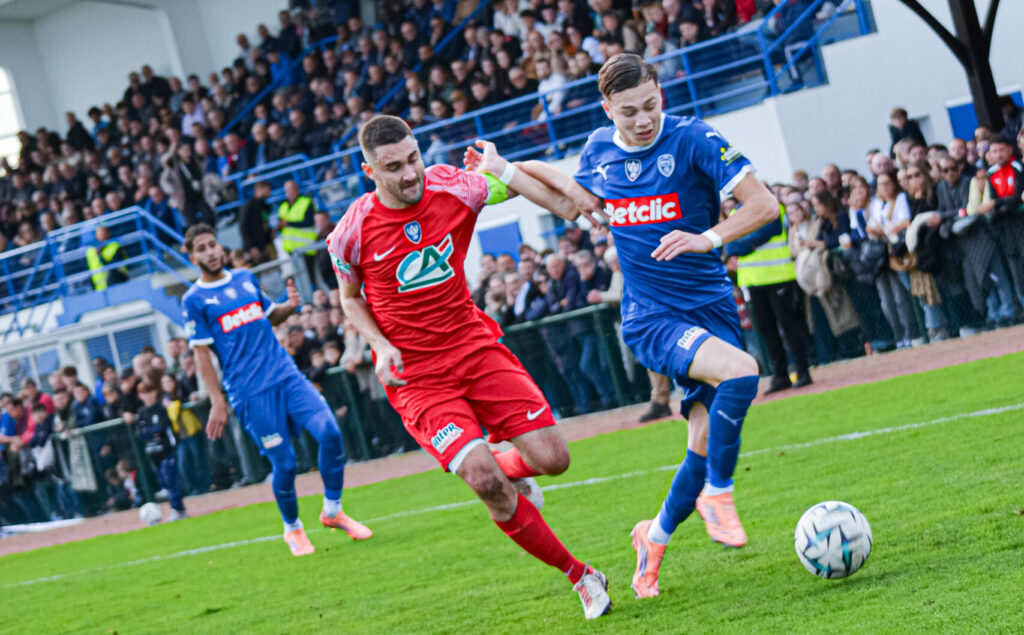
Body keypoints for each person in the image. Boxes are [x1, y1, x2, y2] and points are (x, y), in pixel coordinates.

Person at [473, 54, 780, 598]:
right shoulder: (600, 150)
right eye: (629, 112)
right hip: (652, 317)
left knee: (704, 443)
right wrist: (504, 170)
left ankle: (653, 539)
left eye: (651, 105)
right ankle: (720, 493)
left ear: (661, 92)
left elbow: (765, 206)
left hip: (711, 309)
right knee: (742, 373)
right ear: (606, 109)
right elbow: (571, 200)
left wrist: (706, 237)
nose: (643, 120)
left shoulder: (695, 138)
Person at [327, 115, 611, 619]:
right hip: (418, 377)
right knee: (483, 484)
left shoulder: (452, 186)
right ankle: (581, 576)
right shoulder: (349, 234)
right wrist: (379, 344)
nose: (410, 173)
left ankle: (509, 467)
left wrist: (572, 190)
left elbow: (518, 176)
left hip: (475, 347)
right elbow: (350, 300)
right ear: (369, 170)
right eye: (393, 167)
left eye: (413, 159)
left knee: (554, 459)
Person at [182, 223, 370, 556]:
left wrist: (290, 304)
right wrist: (216, 400)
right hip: (250, 392)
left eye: (213, 244)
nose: (211, 252)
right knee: (284, 464)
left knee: (329, 432)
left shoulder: (244, 278)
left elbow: (270, 316)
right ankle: (293, 529)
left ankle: (333, 510)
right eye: (202, 248)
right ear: (192, 255)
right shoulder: (194, 299)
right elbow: (201, 354)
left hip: (286, 375)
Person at [134, 381, 187, 521]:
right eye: (144, 393)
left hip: (166, 450)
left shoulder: (160, 408)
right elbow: (140, 432)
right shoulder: (141, 412)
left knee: (171, 480)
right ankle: (179, 509)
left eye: (150, 392)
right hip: (153, 453)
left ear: (155, 392)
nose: (148, 396)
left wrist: (151, 430)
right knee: (163, 482)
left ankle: (177, 509)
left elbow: (162, 426)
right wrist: (151, 431)